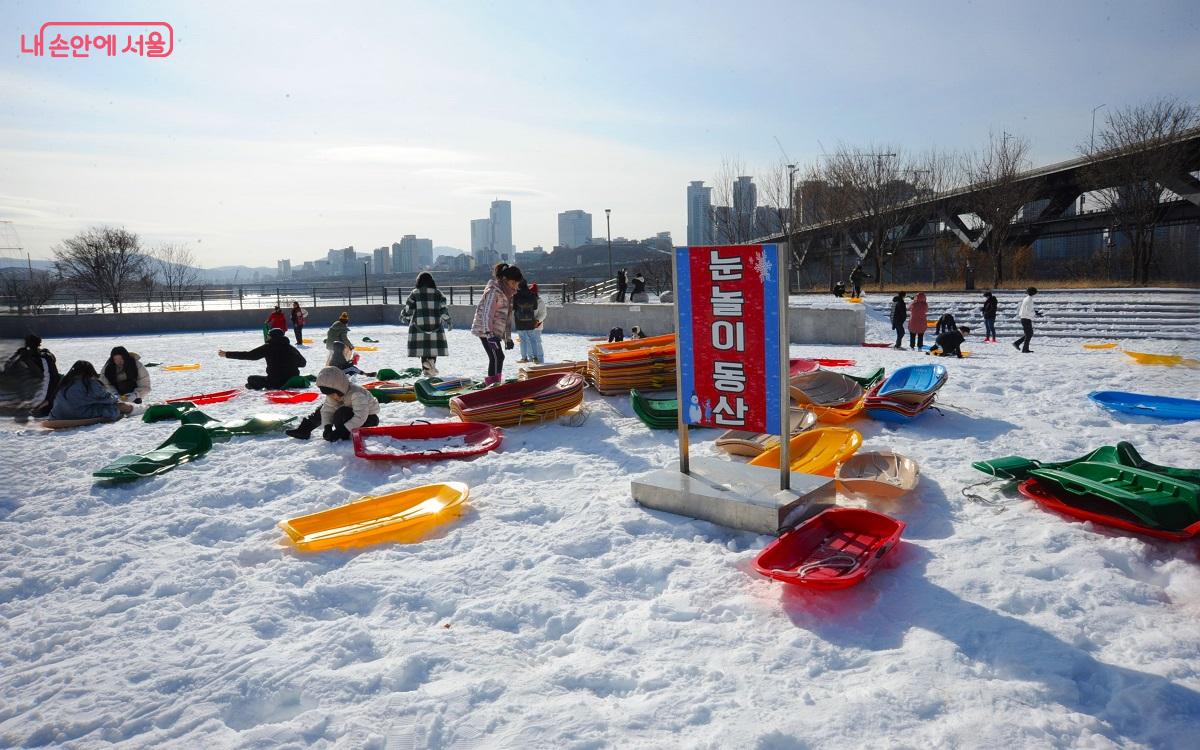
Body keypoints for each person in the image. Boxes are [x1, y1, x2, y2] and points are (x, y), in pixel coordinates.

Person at [285, 366, 380, 441]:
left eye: (332, 394)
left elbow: (360, 416)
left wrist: (340, 431)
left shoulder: (357, 394)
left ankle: (344, 434)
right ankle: (304, 430)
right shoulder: (336, 393)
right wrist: (328, 427)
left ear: (339, 388)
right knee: (323, 408)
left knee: (342, 412)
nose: (331, 397)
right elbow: (327, 410)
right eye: (328, 394)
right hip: (350, 417)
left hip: (368, 420)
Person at [471, 265, 523, 385]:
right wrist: (489, 335)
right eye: (513, 283)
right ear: (505, 280)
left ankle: (495, 383)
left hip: (494, 332)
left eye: (517, 283)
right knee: (496, 357)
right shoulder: (494, 291)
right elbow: (487, 314)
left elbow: (507, 318)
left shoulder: (508, 295)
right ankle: (493, 385)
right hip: (485, 330)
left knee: (498, 357)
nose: (515, 286)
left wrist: (507, 338)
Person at [399, 272, 451, 377]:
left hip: (419, 328)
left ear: (419, 281)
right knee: (433, 349)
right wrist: (448, 321)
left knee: (423, 350)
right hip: (435, 327)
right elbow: (443, 310)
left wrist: (403, 316)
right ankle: (431, 366)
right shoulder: (438, 293)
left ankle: (427, 371)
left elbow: (408, 310)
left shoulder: (415, 293)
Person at [219, 328, 307, 389]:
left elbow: (249, 355)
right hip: (293, 379)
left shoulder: (268, 347)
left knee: (251, 379)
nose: (267, 337)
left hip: (276, 382)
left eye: (268, 336)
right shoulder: (291, 348)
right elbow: (303, 363)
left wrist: (227, 354)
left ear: (272, 337)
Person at [49, 360, 132, 421]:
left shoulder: (64, 382)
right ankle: (134, 410)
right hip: (79, 413)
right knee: (122, 406)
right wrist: (117, 399)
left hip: (58, 414)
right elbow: (106, 398)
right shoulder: (89, 383)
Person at [1, 334, 60, 418]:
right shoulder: (40, 356)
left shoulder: (43, 357)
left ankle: (41, 405)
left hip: (43, 397)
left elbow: (47, 379)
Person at [513, 280, 547, 364]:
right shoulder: (530, 299)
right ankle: (531, 359)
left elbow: (543, 313)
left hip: (536, 325)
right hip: (529, 324)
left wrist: (537, 321)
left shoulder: (540, 301)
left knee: (537, 342)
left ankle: (540, 360)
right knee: (528, 342)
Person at [1013, 286, 1042, 353]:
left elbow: (1027, 309)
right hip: (1026, 318)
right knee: (1029, 334)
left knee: (1029, 334)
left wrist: (1035, 312)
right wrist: (1035, 314)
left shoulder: (1027, 298)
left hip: (1025, 318)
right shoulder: (1029, 300)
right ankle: (1024, 349)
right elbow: (1028, 311)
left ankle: (1017, 344)